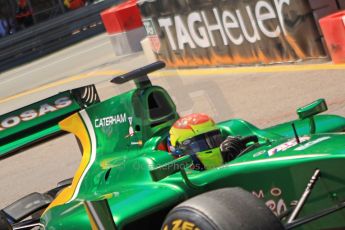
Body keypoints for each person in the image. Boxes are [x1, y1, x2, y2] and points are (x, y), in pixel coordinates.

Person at [168, 113, 258, 171]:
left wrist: (233, 156)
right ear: (179, 150)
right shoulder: (176, 177)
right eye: (201, 144)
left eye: (214, 140)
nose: (210, 146)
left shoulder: (227, 153)